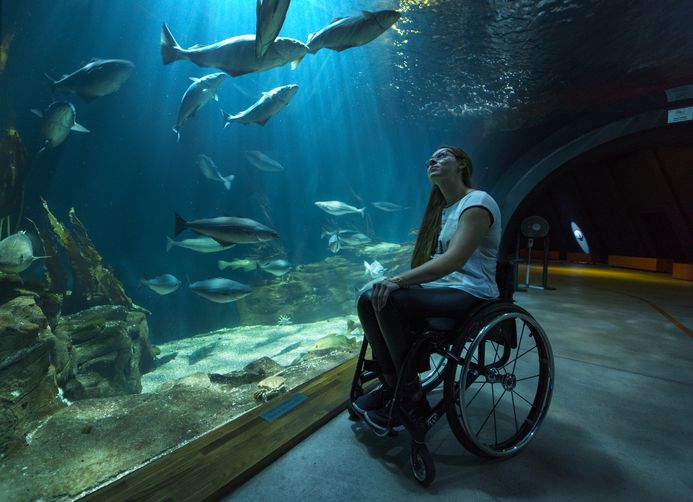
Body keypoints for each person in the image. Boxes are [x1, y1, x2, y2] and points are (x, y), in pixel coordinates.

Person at [353, 145, 501, 433]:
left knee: (390, 300)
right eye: (429, 159)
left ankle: (411, 397)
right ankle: (392, 385)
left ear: (462, 164)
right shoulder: (446, 209)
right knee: (367, 297)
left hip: (472, 292)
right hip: (445, 287)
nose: (432, 160)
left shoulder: (478, 202)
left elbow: (454, 260)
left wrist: (399, 280)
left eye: (442, 155)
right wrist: (395, 280)